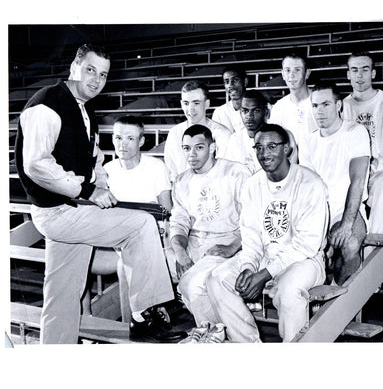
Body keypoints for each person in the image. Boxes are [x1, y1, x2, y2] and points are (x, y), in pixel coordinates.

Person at [14, 43, 186, 344]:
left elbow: (93, 158)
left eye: (103, 75)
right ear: (74, 66)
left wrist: (101, 183)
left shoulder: (83, 110)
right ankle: (144, 316)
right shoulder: (47, 105)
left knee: (62, 294)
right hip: (59, 211)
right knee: (141, 224)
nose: (96, 80)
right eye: (90, 70)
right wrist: (89, 189)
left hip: (71, 209)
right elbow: (37, 165)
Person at [206, 124, 328, 342]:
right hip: (264, 256)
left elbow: (306, 244)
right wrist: (248, 267)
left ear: (287, 149)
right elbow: (251, 236)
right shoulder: (252, 185)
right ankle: (248, 344)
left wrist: (264, 275)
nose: (264, 154)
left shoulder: (311, 183)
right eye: (259, 148)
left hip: (305, 260)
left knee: (289, 291)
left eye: (272, 146)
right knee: (218, 278)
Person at [82, 114, 177, 319]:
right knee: (75, 258)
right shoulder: (107, 170)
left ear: (141, 141)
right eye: (118, 137)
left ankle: (131, 326)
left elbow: (167, 212)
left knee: (125, 264)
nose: (122, 144)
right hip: (113, 242)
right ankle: (86, 319)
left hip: (150, 242)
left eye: (130, 138)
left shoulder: (156, 168)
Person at [169, 124, 251, 342]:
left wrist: (234, 245)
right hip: (193, 243)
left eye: (199, 148)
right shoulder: (182, 180)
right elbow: (178, 221)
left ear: (212, 147)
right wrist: (179, 251)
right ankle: (147, 324)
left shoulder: (236, 173)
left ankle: (216, 333)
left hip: (227, 242)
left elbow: (251, 219)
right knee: (144, 261)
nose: (192, 155)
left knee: (190, 284)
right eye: (186, 149)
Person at [300, 82, 371, 285]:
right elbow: (308, 187)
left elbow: (357, 181)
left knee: (350, 244)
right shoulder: (308, 140)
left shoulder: (355, 132)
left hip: (346, 207)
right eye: (315, 106)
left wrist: (347, 223)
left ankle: (338, 296)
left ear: (339, 105)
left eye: (325, 104)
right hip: (318, 210)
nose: (319, 112)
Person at [342, 51, 383, 234]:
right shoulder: (342, 106)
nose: (359, 76)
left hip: (382, 170)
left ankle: (374, 245)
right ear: (348, 74)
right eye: (354, 70)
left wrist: (375, 165)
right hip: (351, 172)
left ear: (373, 74)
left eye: (364, 70)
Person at [164, 80, 231, 182]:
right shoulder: (174, 133)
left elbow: (224, 172)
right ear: (181, 104)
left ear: (207, 104)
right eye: (186, 103)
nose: (190, 109)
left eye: (196, 103)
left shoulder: (222, 134)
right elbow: (171, 171)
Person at [225, 90, 297, 173]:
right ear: (240, 113)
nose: (249, 116)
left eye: (256, 111)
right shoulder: (234, 140)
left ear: (266, 112)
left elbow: (289, 172)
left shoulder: (283, 136)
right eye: (245, 111)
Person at [268, 53, 317, 157]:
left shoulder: (319, 100)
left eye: (297, 70)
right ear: (282, 74)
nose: (291, 75)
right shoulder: (278, 107)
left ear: (307, 73)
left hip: (318, 160)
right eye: (287, 70)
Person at [211, 66, 248, 133]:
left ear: (245, 82)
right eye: (227, 82)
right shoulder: (219, 113)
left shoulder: (260, 107)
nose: (230, 85)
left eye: (235, 80)